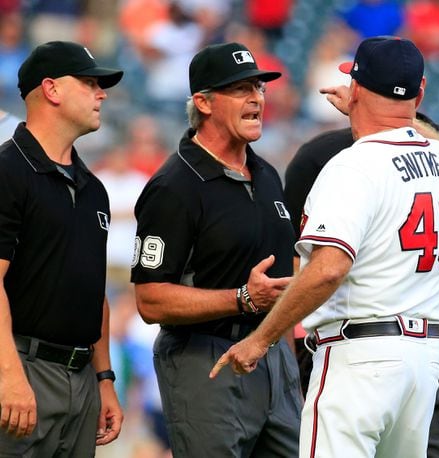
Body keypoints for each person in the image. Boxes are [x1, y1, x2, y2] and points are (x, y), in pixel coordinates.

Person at [210, 36, 439, 458]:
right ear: (419, 92)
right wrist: (375, 109)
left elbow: (328, 269)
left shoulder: (351, 165)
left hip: (359, 356)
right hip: (423, 359)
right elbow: (408, 127)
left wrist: (261, 339)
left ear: (356, 89)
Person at [284, 110, 439, 456]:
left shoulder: (328, 156)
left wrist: (264, 339)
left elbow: (315, 271)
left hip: (366, 340)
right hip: (424, 344)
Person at [130, 42, 302, 457]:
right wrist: (242, 299)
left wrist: (288, 360)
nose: (257, 98)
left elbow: (282, 283)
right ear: (204, 102)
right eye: (241, 89)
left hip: (273, 355)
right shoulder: (175, 186)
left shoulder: (266, 174)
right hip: (207, 359)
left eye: (259, 88)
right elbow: (150, 300)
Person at [0, 40, 124, 456]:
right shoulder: (8, 171)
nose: (101, 93)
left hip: (81, 378)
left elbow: (94, 290)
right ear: (51, 90)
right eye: (89, 83)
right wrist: (10, 376)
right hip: (22, 367)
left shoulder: (94, 189)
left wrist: (104, 378)